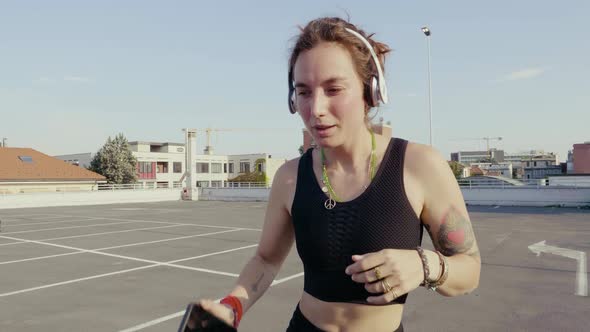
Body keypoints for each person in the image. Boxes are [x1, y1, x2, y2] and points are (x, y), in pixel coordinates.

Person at [191, 17, 481, 332]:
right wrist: (232, 306)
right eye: (303, 92)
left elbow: (469, 270)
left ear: (370, 90)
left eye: (333, 89)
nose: (315, 108)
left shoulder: (420, 165)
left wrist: (426, 265)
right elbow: (266, 259)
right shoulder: (290, 177)